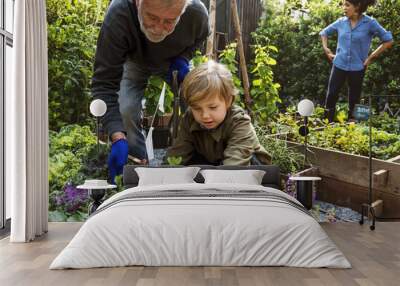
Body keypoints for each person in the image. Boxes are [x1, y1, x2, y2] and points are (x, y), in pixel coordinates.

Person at [91, 0, 209, 183]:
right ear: (138, 3)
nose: (158, 28)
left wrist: (184, 58)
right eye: (152, 17)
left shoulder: (196, 13)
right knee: (126, 109)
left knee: (198, 101)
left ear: (182, 11)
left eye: (169, 21)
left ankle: (199, 163)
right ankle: (137, 168)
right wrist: (117, 135)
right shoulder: (119, 14)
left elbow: (200, 37)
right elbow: (104, 84)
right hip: (135, 61)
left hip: (173, 61)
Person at [166, 60, 271, 166]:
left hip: (246, 166)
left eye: (212, 107)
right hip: (214, 163)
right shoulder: (190, 118)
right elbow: (177, 154)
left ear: (228, 101)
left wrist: (218, 179)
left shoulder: (239, 122)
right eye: (197, 108)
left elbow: (235, 163)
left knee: (251, 162)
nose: (205, 115)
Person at [320, 0, 393, 122]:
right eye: (343, 4)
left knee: (355, 99)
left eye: (347, 5)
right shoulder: (341, 22)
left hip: (358, 67)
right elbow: (324, 33)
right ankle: (327, 125)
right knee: (331, 95)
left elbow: (388, 40)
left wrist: (370, 58)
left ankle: (353, 129)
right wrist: (326, 48)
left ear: (357, 6)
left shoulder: (370, 23)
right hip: (339, 64)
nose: (344, 8)